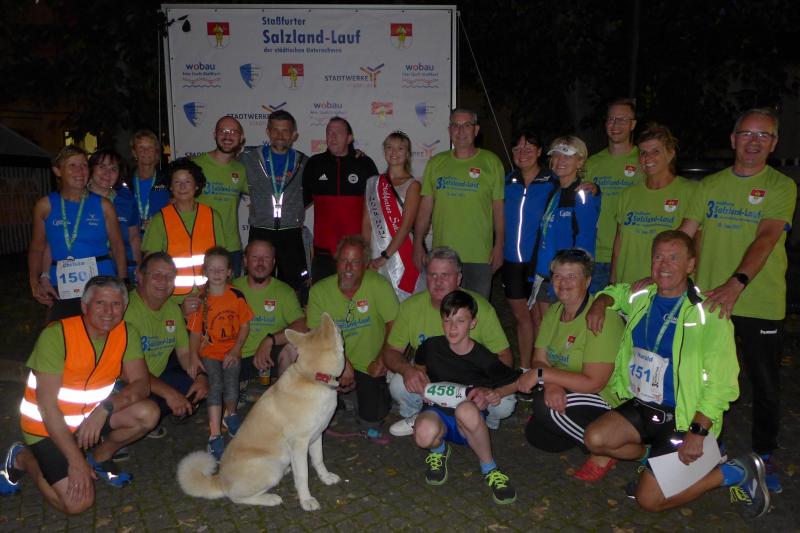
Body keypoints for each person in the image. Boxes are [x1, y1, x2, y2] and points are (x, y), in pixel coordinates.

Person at [583, 231, 769, 518]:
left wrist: (698, 431)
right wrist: (601, 301)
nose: (664, 265)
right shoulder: (642, 296)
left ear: (691, 265)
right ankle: (656, 461)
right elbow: (616, 292)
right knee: (595, 438)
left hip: (685, 418)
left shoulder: (710, 314)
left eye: (674, 258)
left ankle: (735, 472)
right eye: (658, 257)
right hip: (645, 405)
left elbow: (722, 384)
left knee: (648, 501)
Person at [678, 108, 797, 490]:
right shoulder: (708, 186)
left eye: (763, 135)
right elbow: (685, 233)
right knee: (701, 378)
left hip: (758, 301)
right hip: (711, 301)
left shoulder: (781, 186)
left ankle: (764, 456)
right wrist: (666, 270)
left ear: (774, 143)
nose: (753, 141)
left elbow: (767, 238)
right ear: (733, 139)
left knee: (764, 384)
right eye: (746, 133)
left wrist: (737, 283)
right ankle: (707, 447)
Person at [0, 276, 158, 513]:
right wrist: (76, 461)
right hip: (45, 426)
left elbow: (141, 384)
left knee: (148, 413)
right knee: (77, 504)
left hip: (89, 417)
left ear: (124, 307)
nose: (109, 312)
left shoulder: (127, 333)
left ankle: (100, 458)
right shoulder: (57, 335)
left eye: (116, 304)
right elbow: (47, 407)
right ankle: (22, 457)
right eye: (100, 303)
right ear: (84, 306)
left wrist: (105, 408)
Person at [383, 247, 514, 437]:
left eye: (445, 275)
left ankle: (481, 422)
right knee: (398, 383)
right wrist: (407, 370)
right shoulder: (410, 307)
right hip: (432, 378)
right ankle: (420, 416)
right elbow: (391, 351)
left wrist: (487, 387)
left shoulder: (481, 308)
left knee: (505, 404)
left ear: (459, 278)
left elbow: (504, 356)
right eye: (433, 275)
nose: (438, 282)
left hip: (473, 379)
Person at [517, 249, 624, 481]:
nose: (563, 283)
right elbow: (539, 359)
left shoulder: (601, 318)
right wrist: (550, 383)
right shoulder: (554, 312)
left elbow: (595, 383)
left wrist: (543, 375)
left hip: (606, 398)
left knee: (544, 408)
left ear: (587, 281)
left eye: (572, 276)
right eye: (557, 276)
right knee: (538, 436)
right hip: (573, 388)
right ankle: (577, 426)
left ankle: (607, 447)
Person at [412, 290, 520, 505]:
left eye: (460, 321)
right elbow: (419, 365)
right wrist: (423, 383)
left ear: (472, 323)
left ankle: (490, 468)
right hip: (437, 413)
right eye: (447, 320)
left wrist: (494, 393)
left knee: (466, 409)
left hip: (468, 422)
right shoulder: (430, 347)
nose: (452, 327)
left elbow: (517, 381)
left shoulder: (483, 357)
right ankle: (439, 450)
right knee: (422, 435)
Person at [306, 235, 399, 438]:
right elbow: (315, 334)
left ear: (365, 265)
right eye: (344, 260)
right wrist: (341, 361)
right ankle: (339, 396)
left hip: (368, 365)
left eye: (355, 262)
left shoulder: (378, 285)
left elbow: (395, 325)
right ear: (336, 261)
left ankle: (360, 394)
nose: (348, 268)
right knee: (310, 407)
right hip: (332, 362)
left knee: (372, 419)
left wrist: (381, 359)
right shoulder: (319, 291)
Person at [413, 108, 505, 299]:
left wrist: (499, 246)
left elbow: (499, 209)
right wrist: (417, 243)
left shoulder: (491, 162)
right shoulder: (436, 163)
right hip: (443, 256)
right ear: (449, 130)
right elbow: (425, 208)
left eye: (466, 125)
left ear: (476, 130)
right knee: (443, 309)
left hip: (480, 255)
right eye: (455, 125)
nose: (460, 131)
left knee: (476, 309)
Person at [28, 146, 126, 320]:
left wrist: (123, 282)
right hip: (61, 286)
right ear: (58, 171)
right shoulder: (45, 206)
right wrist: (35, 282)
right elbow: (37, 248)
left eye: (84, 165)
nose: (80, 171)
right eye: (72, 165)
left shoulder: (104, 205)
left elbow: (118, 246)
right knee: (63, 333)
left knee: (102, 332)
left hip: (101, 283)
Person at [123, 252, 209, 433]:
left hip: (156, 377)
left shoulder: (172, 309)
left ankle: (167, 408)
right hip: (126, 382)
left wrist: (201, 377)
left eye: (169, 276)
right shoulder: (126, 310)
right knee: (149, 405)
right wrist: (170, 394)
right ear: (140, 276)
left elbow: (185, 354)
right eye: (156, 275)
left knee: (199, 385)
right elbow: (126, 372)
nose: (163, 281)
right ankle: (142, 418)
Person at [187, 247, 254, 461]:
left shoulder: (236, 296)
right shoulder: (200, 298)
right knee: (215, 387)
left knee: (232, 385)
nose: (216, 273)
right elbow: (195, 333)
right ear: (205, 271)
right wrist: (193, 355)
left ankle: (230, 415)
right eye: (212, 269)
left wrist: (235, 350)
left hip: (231, 352)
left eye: (221, 269)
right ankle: (215, 435)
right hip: (209, 353)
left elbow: (244, 325)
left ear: (229, 272)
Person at [611, 124, 697, 284]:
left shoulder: (690, 191)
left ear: (670, 154)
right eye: (643, 153)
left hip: (668, 286)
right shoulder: (628, 194)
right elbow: (619, 244)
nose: (648, 158)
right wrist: (613, 281)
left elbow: (696, 244)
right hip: (628, 286)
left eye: (655, 151)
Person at [239, 110, 310, 296]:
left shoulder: (304, 162)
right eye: (275, 130)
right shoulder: (249, 159)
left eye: (285, 131)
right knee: (256, 283)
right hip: (261, 230)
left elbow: (313, 191)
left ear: (294, 134)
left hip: (291, 232)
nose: (280, 135)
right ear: (268, 132)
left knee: (294, 287)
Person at [501, 131, 555, 370]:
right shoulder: (507, 181)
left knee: (540, 319)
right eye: (517, 149)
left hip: (539, 261)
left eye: (529, 148)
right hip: (512, 260)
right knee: (521, 317)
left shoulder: (552, 181)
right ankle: (524, 369)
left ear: (539, 151)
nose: (522, 153)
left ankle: (542, 369)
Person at [530, 136, 599, 321]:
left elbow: (586, 241)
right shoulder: (554, 191)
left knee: (561, 330)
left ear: (580, 162)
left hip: (565, 279)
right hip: (544, 274)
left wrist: (572, 279)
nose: (560, 160)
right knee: (544, 328)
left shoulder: (583, 194)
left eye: (567, 156)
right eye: (557, 155)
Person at [303, 117, 379, 282]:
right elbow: (298, 203)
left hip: (355, 252)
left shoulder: (365, 164)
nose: (332, 136)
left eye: (338, 132)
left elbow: (376, 210)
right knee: (322, 297)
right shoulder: (314, 164)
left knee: (356, 297)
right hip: (323, 253)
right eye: (329, 132)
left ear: (349, 138)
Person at [141, 158, 226, 302]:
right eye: (177, 182)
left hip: (209, 295)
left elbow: (222, 258)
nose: (182, 186)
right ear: (171, 187)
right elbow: (150, 263)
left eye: (187, 181)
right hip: (172, 299)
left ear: (196, 185)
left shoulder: (212, 216)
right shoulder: (160, 219)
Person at [585, 98, 643, 292]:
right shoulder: (592, 163)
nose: (615, 124)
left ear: (633, 124)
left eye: (622, 119)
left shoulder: (644, 161)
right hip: (595, 255)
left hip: (631, 255)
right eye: (611, 119)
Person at [232, 238, 307, 384]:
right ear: (245, 261)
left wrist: (270, 340)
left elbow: (302, 326)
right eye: (255, 258)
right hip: (237, 358)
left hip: (271, 357)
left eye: (266, 258)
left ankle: (284, 394)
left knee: (292, 348)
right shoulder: (232, 289)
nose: (260, 263)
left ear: (273, 263)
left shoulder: (284, 291)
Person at [362, 130, 423, 301]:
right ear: (384, 151)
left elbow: (405, 226)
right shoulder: (373, 183)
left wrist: (385, 257)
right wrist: (365, 255)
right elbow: (366, 223)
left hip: (400, 255)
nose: (394, 152)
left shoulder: (413, 185)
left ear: (407, 153)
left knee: (404, 302)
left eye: (400, 148)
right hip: (375, 251)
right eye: (389, 147)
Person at [194, 116, 248, 276]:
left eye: (233, 132)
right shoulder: (196, 165)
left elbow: (262, 194)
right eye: (222, 131)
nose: (227, 135)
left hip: (232, 248)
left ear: (241, 138)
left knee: (230, 292)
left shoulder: (241, 169)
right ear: (214, 134)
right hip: (201, 246)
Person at [87, 148, 142, 280]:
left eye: (113, 169)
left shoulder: (126, 200)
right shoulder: (77, 200)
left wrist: (139, 267)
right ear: (91, 169)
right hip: (88, 270)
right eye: (102, 167)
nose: (107, 173)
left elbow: (134, 238)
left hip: (121, 269)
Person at [129, 129, 170, 232]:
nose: (146, 151)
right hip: (130, 238)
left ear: (156, 152)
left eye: (150, 147)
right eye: (141, 147)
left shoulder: (168, 180)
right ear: (134, 152)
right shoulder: (125, 181)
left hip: (159, 237)